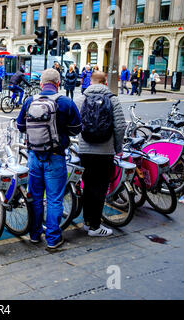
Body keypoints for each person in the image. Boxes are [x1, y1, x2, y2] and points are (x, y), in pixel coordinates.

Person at [16, 68, 82, 249]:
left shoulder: (30, 101)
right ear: (58, 83)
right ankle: (53, 239)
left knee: (35, 197)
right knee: (54, 199)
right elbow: (77, 128)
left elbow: (20, 125)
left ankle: (35, 235)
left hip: (33, 156)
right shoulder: (66, 102)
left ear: (41, 84)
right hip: (55, 157)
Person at [74, 71, 126, 237]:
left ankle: (88, 223)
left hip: (85, 151)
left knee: (87, 186)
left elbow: (73, 125)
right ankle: (96, 226)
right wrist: (118, 148)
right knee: (100, 188)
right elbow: (120, 127)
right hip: (105, 152)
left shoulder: (80, 99)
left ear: (90, 82)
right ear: (104, 82)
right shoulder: (113, 100)